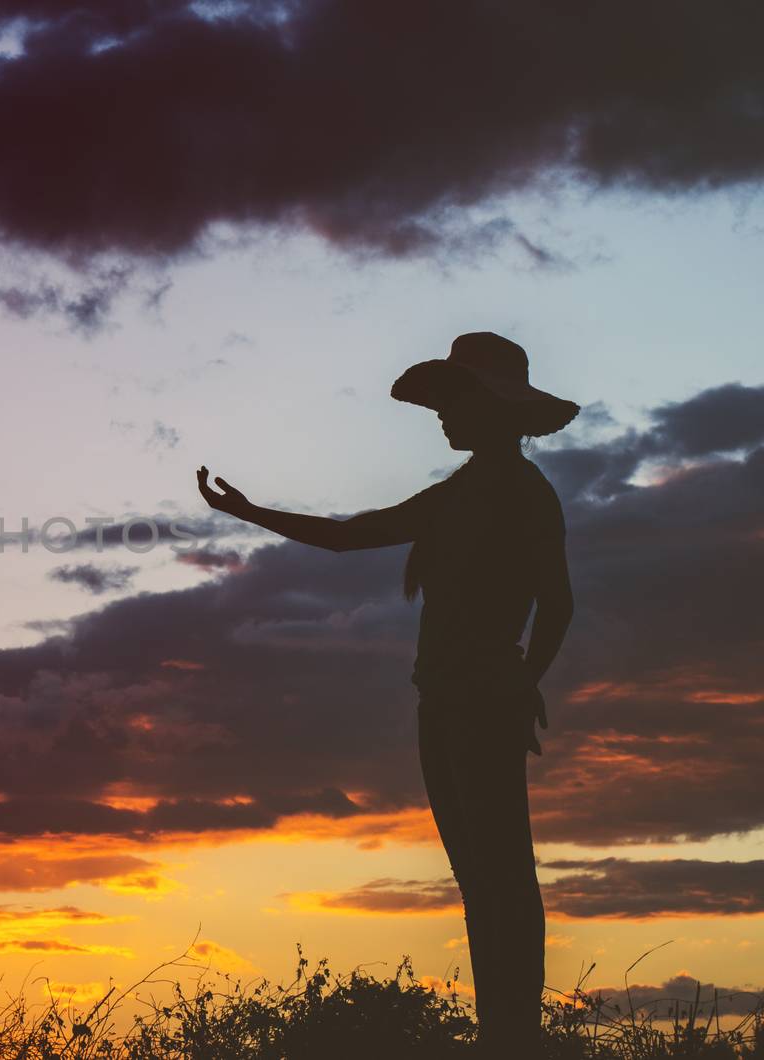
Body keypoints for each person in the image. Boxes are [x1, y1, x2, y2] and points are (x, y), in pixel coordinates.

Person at [196, 331, 578, 1057]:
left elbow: (557, 603)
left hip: (480, 699)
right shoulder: (461, 491)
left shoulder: (523, 491)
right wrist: (248, 513)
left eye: (454, 400)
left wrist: (522, 681)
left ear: (494, 407)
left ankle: (514, 1039)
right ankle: (503, 1035)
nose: (441, 416)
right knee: (480, 876)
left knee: (500, 875)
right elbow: (349, 537)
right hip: (445, 700)